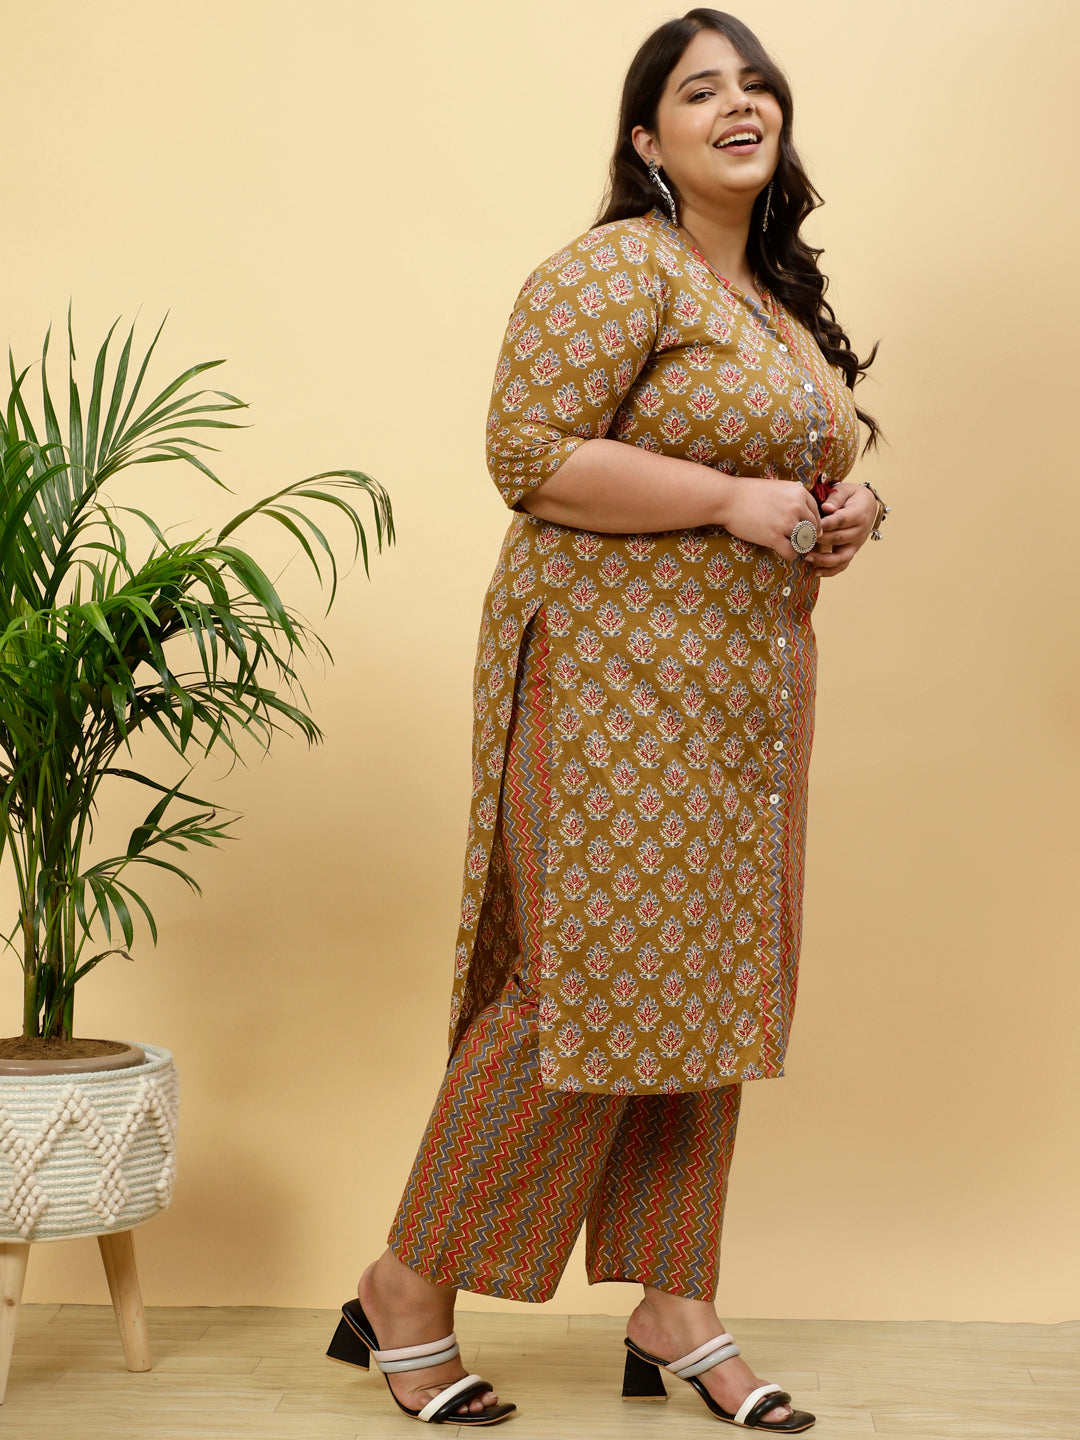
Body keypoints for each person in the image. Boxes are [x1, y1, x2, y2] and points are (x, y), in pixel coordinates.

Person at [327, 8, 888, 1430]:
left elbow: (801, 465)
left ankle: (674, 1301)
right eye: (702, 91)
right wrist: (730, 500)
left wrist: (849, 507)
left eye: (757, 85)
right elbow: (526, 455)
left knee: (712, 988)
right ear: (648, 139)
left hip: (742, 700)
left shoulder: (770, 300)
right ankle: (404, 1285)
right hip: (606, 686)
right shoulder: (613, 269)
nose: (740, 105)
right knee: (578, 986)